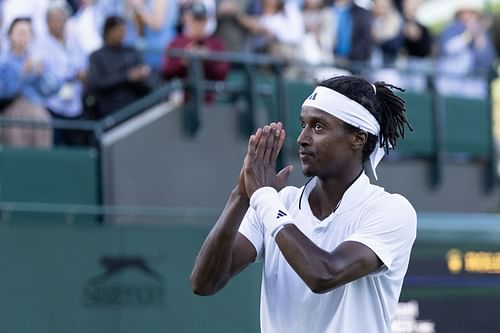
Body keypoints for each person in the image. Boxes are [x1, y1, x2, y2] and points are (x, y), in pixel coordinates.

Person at [190, 75, 417, 332]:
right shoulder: (278, 203)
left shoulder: (391, 210)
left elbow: (324, 274)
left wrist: (263, 198)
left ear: (358, 138)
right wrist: (242, 194)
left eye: (318, 127)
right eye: (303, 124)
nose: (302, 138)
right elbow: (204, 283)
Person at [0, 17, 55, 148]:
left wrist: (43, 74)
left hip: (38, 113)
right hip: (12, 113)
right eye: (20, 32)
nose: (24, 37)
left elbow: (50, 89)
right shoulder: (4, 62)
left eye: (27, 33)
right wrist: (23, 74)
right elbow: (4, 92)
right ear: (10, 35)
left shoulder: (36, 59)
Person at [162, 1, 230, 103]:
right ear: (186, 18)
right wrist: (183, 61)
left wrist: (208, 60)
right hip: (181, 103)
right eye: (195, 19)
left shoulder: (216, 44)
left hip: (209, 102)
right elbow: (166, 71)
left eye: (201, 19)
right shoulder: (176, 43)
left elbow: (223, 72)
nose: (198, 24)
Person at [86, 15, 153, 118]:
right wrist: (127, 76)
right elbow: (96, 83)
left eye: (123, 30)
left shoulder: (131, 51)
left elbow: (146, 79)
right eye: (118, 30)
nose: (122, 33)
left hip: (136, 108)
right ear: (108, 32)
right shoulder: (96, 57)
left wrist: (141, 75)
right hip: (111, 113)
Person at [41, 1, 88, 146]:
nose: (57, 23)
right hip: (53, 106)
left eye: (60, 19)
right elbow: (47, 80)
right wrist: (71, 75)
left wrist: (82, 73)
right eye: (54, 20)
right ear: (47, 23)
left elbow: (84, 64)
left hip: (75, 104)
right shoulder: (41, 45)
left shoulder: (74, 41)